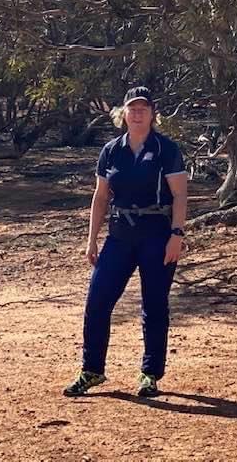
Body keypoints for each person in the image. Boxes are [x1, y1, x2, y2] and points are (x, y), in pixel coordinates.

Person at [64, 86, 187, 398]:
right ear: (123, 113)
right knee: (97, 301)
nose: (137, 113)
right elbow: (101, 197)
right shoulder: (111, 150)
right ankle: (92, 370)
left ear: (152, 114)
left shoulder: (166, 149)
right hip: (119, 235)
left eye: (143, 108)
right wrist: (91, 240)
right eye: (132, 108)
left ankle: (150, 374)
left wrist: (176, 235)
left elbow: (179, 195)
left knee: (154, 305)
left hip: (157, 234)